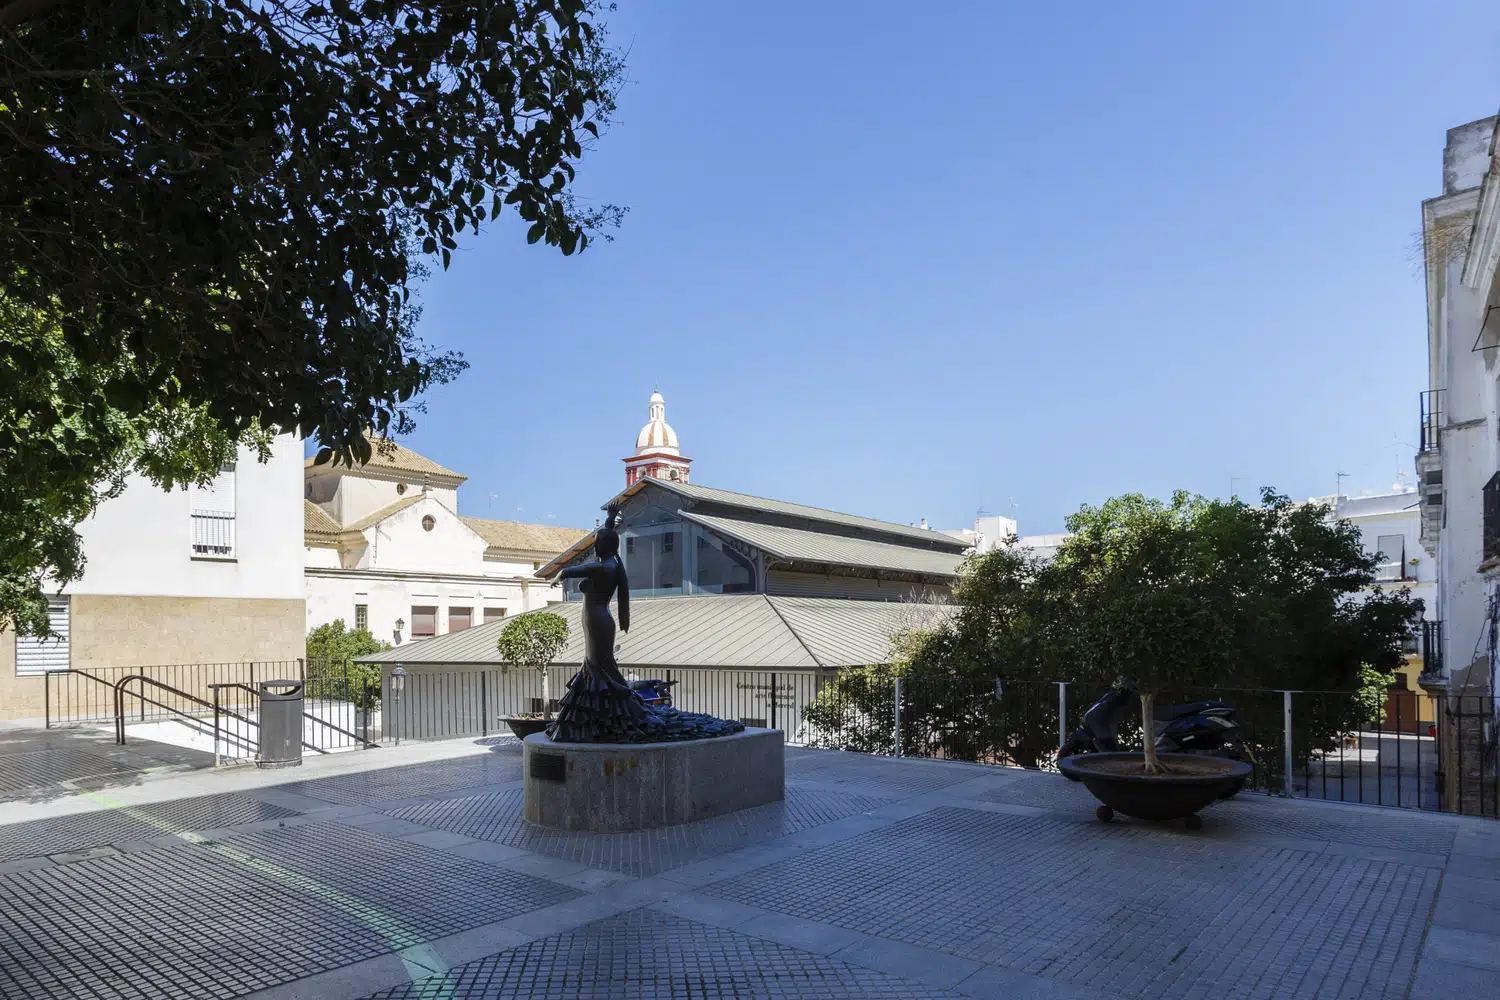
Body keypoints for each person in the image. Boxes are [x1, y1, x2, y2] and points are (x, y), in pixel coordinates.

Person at [548, 506, 742, 743]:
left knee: (601, 668)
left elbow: (571, 570)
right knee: (597, 667)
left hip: (599, 622)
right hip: (595, 621)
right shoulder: (611, 561)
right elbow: (604, 543)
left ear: (605, 546)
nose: (594, 547)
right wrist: (610, 520)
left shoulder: (604, 567)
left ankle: (614, 717)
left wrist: (560, 575)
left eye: (597, 543)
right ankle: (599, 719)